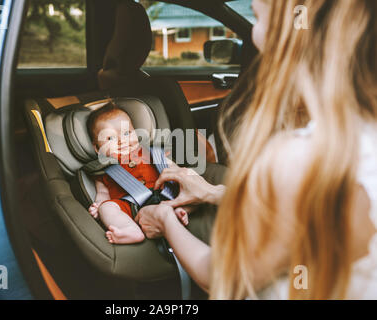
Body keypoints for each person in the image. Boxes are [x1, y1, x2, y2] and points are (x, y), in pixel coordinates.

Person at [136, 0, 377, 299]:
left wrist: (165, 220)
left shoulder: (298, 159)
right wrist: (212, 191)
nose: (254, 4)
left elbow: (221, 276)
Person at [86, 101, 189, 244]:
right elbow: (103, 194)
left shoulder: (152, 153)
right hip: (131, 208)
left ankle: (178, 211)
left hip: (166, 196)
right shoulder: (103, 170)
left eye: (127, 133)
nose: (122, 141)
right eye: (110, 138)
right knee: (107, 208)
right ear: (97, 148)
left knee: (186, 184)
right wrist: (98, 204)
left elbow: (176, 171)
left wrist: (181, 175)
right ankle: (130, 230)